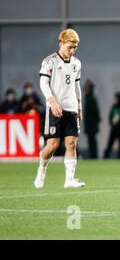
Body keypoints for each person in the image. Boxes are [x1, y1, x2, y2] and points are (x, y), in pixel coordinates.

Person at [33, 28, 85, 189]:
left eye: (75, 47)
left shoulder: (76, 63)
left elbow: (77, 86)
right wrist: (52, 102)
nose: (72, 50)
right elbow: (43, 83)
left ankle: (69, 179)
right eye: (70, 47)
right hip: (55, 109)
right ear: (61, 43)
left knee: (71, 143)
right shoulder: (50, 62)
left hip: (71, 108)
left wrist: (79, 106)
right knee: (53, 146)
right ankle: (42, 167)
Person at [104, 92, 120, 159]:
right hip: (114, 127)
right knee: (110, 142)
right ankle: (106, 156)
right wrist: (112, 122)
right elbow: (110, 116)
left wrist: (118, 121)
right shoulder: (114, 106)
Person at [83, 80, 101, 159]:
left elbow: (95, 111)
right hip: (90, 123)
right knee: (91, 140)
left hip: (91, 124)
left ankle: (93, 155)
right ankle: (92, 154)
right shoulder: (88, 97)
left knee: (92, 140)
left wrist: (96, 121)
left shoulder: (91, 98)